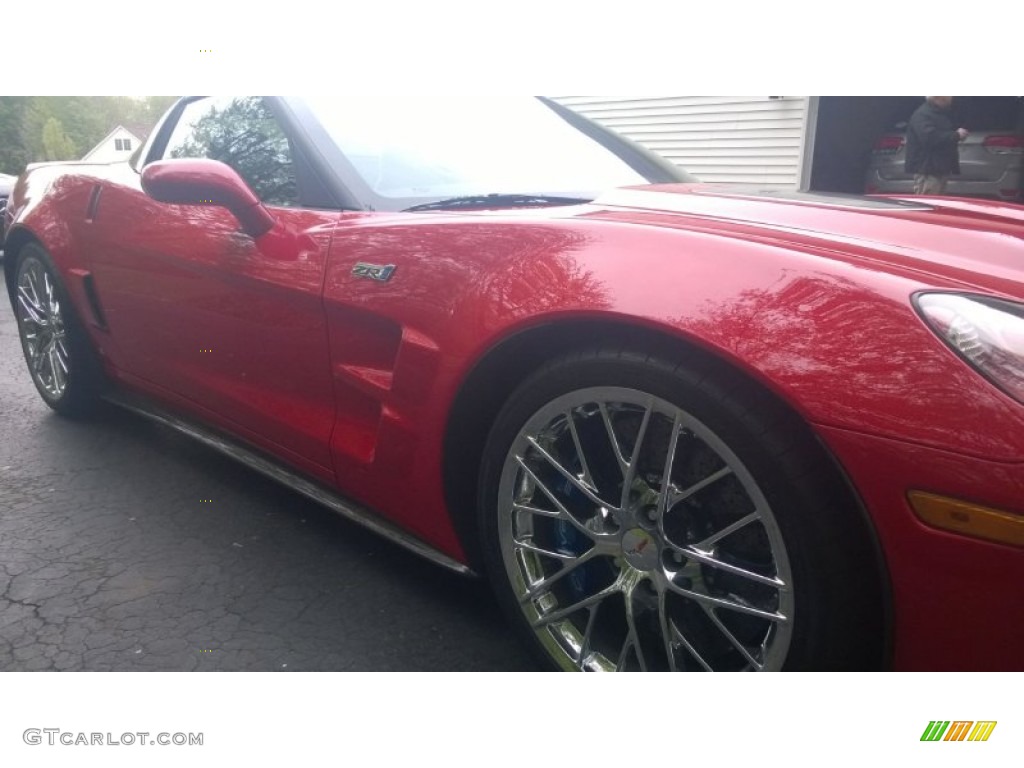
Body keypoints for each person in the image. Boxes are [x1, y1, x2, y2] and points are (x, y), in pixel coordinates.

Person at [905, 97, 969, 195]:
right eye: (948, 97)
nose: (951, 100)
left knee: (936, 203)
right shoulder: (922, 115)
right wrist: (956, 135)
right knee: (927, 204)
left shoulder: (938, 114)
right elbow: (929, 138)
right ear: (939, 98)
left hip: (938, 169)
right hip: (928, 170)